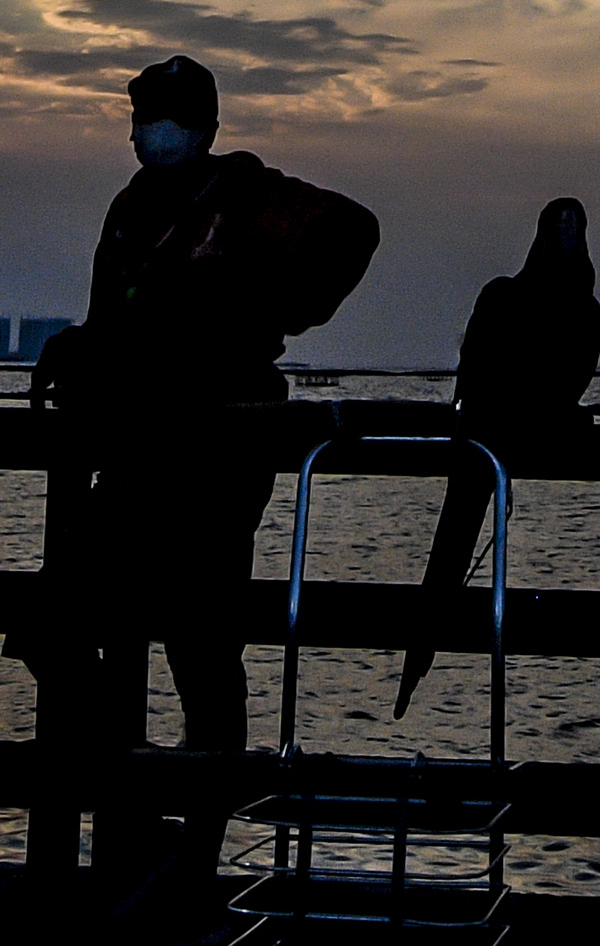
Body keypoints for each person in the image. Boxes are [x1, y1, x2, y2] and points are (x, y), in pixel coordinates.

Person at [27, 54, 378, 925]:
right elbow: (110, 319)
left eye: (168, 116)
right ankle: (142, 804)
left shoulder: (249, 193)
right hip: (139, 445)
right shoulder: (128, 208)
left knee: (202, 644)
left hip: (226, 439)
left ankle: (200, 844)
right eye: (144, 116)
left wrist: (279, 308)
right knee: (56, 623)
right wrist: (82, 347)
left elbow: (354, 230)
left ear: (207, 126)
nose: (152, 131)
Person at [394, 197, 600, 716]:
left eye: (574, 228)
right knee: (451, 546)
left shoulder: (585, 313)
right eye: (560, 228)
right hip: (481, 443)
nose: (567, 237)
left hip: (506, 440)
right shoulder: (502, 298)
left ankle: (418, 659)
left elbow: (562, 393)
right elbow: (473, 390)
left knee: (452, 551)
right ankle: (417, 660)